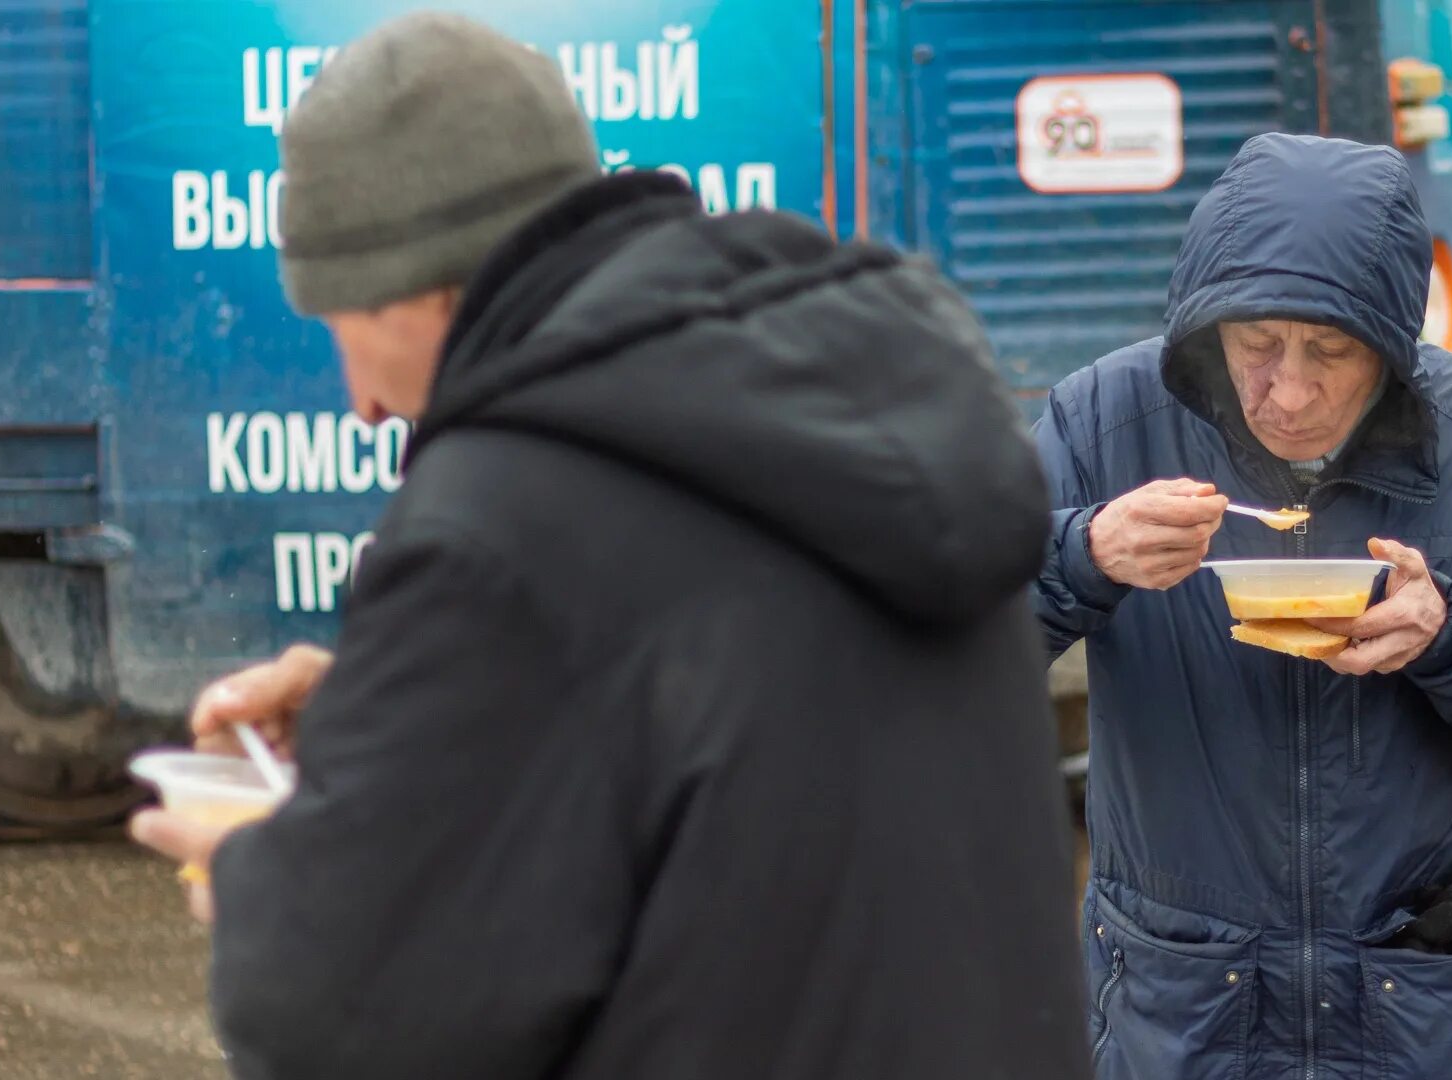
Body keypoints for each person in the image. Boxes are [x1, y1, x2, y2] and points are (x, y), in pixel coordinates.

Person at [129, 12, 1089, 1079]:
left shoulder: (500, 512)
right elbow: (722, 730)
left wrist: (257, 874)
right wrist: (381, 718)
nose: (357, 403)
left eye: (335, 319)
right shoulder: (883, 403)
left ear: (414, 285)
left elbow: (346, 1011)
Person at [1035, 133, 1452, 1079]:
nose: (1291, 390)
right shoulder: (1105, 423)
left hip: (1416, 1004)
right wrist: (1084, 554)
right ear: (1207, 330)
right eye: (1257, 347)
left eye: (1331, 350)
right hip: (1179, 1005)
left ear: (1393, 349)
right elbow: (953, 635)